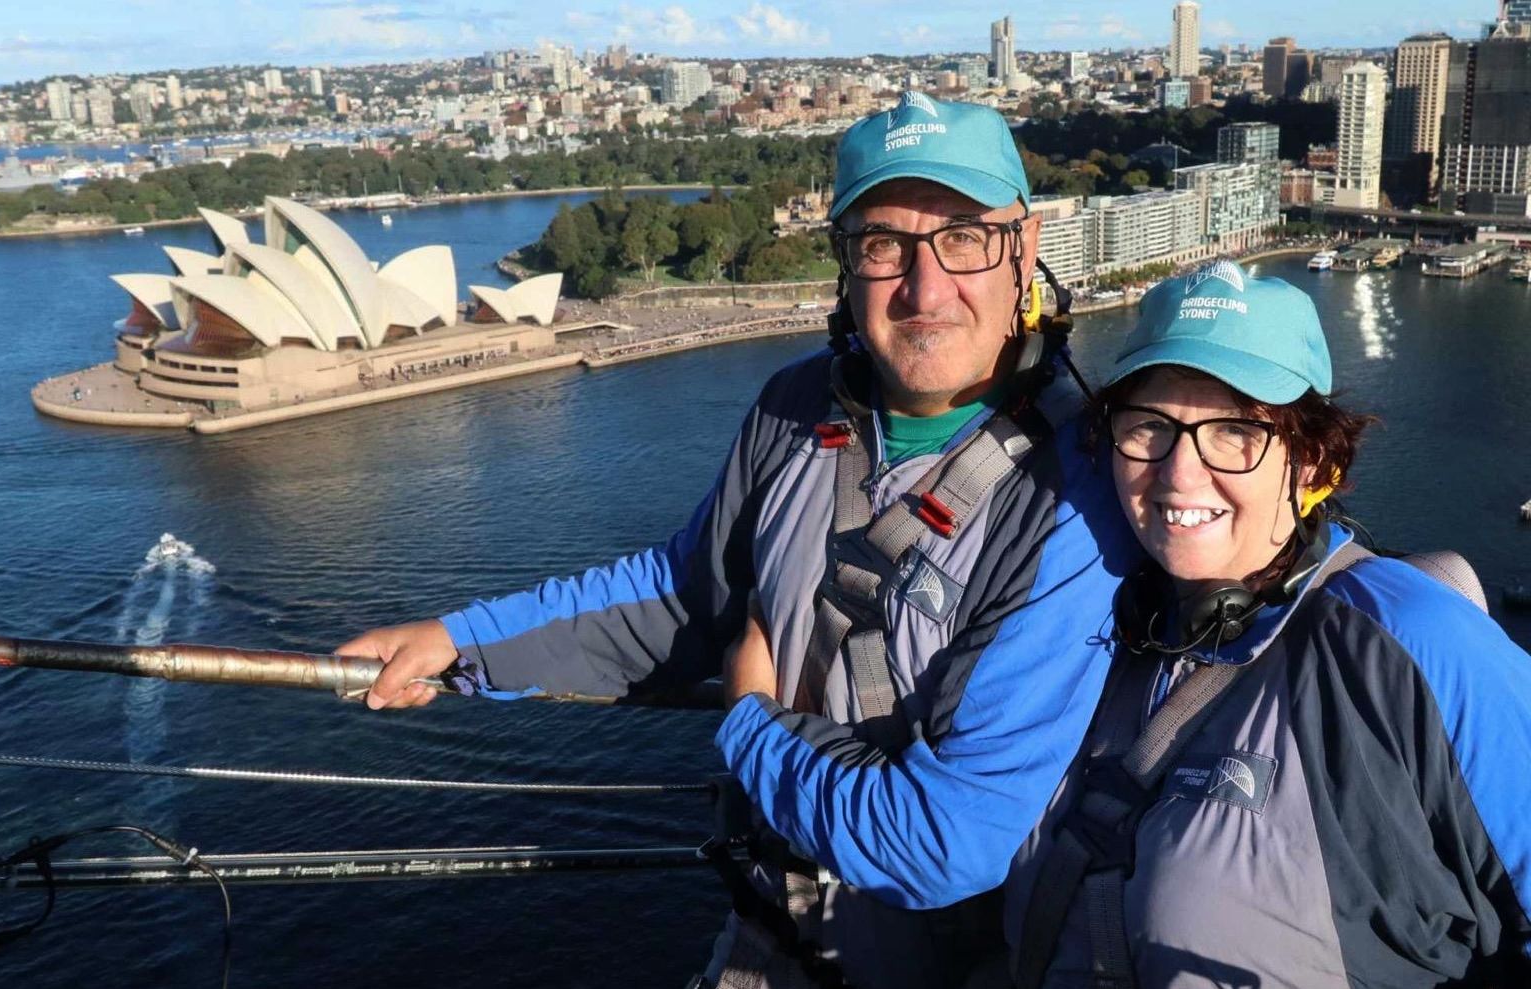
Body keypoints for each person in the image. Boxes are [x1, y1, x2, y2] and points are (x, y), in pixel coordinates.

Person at [338, 92, 1138, 988]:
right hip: (771, 935)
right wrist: (460, 641)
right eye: (884, 244)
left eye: (964, 237)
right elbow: (685, 596)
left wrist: (751, 726)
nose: (924, 288)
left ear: (1023, 251)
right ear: (847, 266)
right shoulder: (796, 412)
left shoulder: (1077, 499)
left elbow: (950, 841)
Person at [992, 262, 1531, 988]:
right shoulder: (1094, 620)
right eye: (1150, 424)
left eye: (1235, 431)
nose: (1180, 472)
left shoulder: (1412, 641)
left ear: (1312, 460)